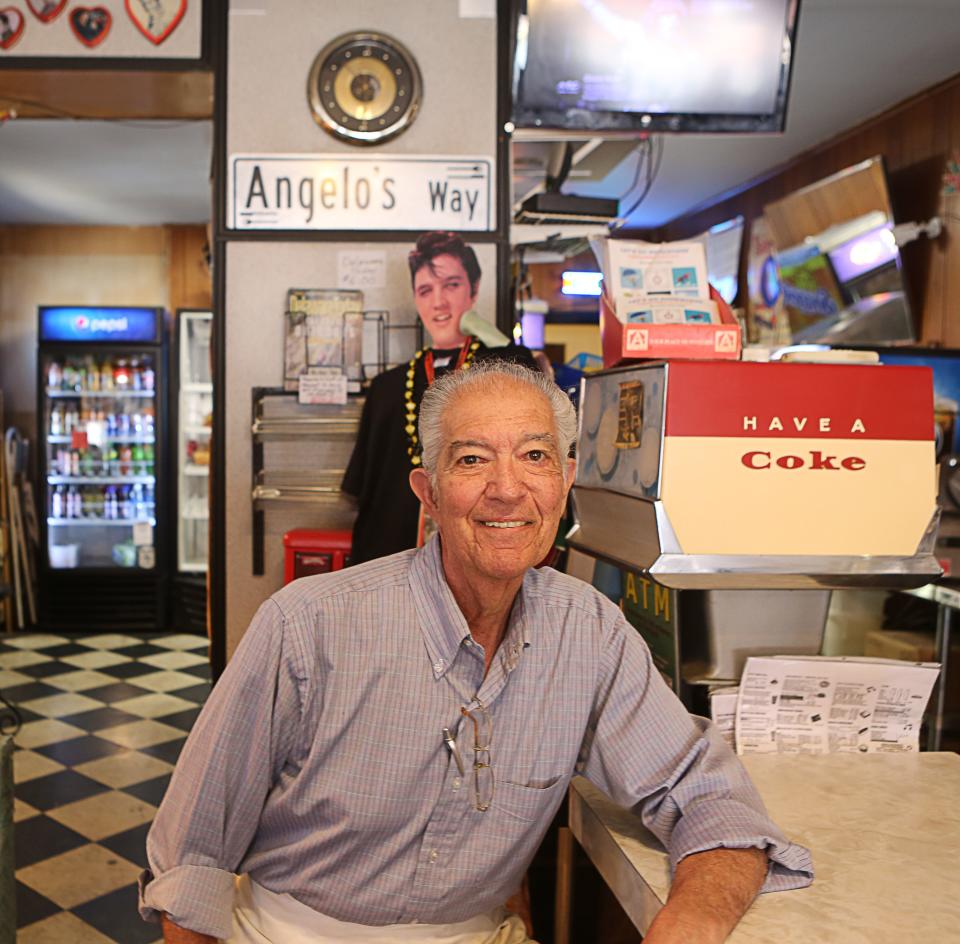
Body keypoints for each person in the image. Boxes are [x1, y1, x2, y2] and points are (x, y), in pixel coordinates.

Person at [140, 361, 812, 944]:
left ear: (566, 481)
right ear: (427, 492)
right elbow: (191, 861)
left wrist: (689, 922)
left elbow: (709, 797)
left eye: (535, 456)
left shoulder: (589, 633)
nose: (508, 488)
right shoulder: (308, 625)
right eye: (471, 459)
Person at [342, 231, 536, 564]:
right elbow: (362, 491)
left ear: (473, 291)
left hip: (485, 555)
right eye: (425, 290)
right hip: (393, 560)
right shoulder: (387, 387)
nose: (439, 302)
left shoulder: (509, 371)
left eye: (451, 285)